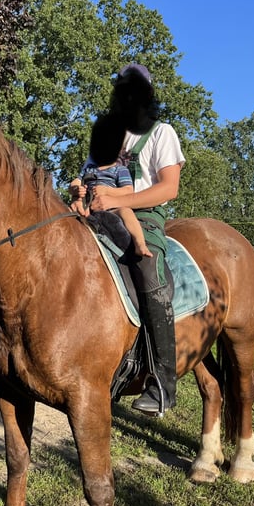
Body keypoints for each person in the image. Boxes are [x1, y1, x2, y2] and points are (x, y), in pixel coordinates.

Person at [70, 63, 185, 416]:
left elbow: (169, 188)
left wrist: (118, 201)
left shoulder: (162, 133)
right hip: (96, 214)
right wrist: (77, 195)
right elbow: (85, 178)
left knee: (147, 269)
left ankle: (162, 383)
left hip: (144, 218)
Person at [70, 113, 152, 257]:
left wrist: (107, 191)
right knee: (65, 210)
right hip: (86, 207)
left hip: (111, 209)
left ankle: (140, 244)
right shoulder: (89, 169)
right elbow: (75, 182)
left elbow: (128, 191)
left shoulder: (119, 170)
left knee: (126, 211)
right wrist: (77, 189)